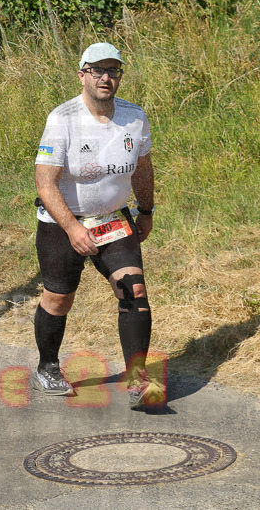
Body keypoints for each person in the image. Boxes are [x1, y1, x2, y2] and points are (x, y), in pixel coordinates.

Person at [31, 42, 159, 409]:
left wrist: (146, 210)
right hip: (62, 223)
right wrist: (73, 228)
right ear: (82, 74)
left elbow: (144, 168)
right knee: (59, 298)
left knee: (133, 290)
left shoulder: (134, 117)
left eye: (114, 71)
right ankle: (48, 366)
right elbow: (45, 183)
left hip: (115, 221)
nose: (106, 78)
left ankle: (137, 378)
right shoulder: (63, 118)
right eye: (98, 71)